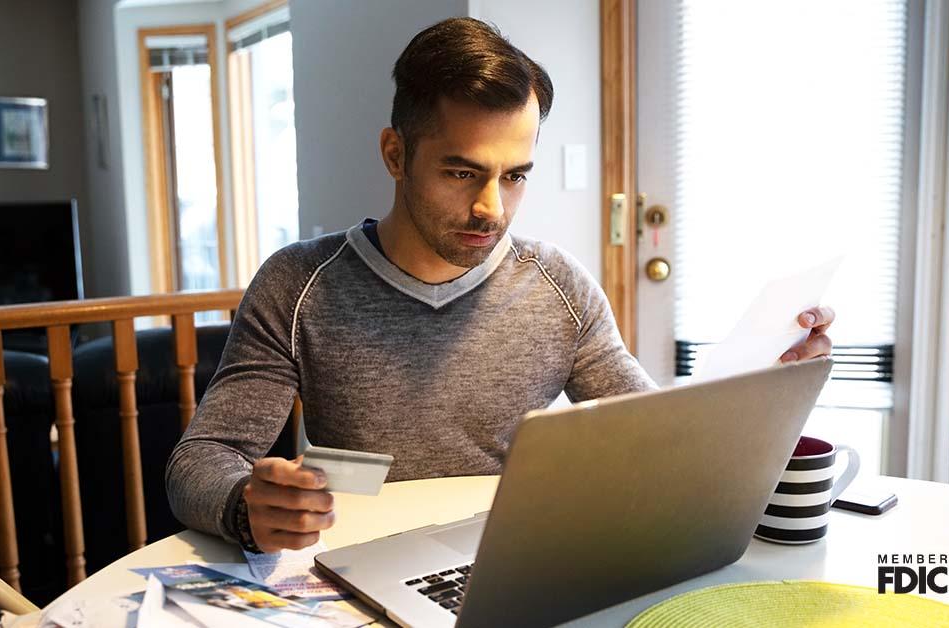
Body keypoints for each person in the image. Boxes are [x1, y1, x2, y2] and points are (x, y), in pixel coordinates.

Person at [166, 17, 835, 553]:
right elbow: (202, 459)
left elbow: (658, 440)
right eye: (462, 173)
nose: (493, 206)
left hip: (513, 562)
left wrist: (761, 382)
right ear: (396, 154)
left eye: (515, 175)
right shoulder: (298, 284)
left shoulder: (559, 287)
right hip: (358, 562)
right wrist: (245, 505)